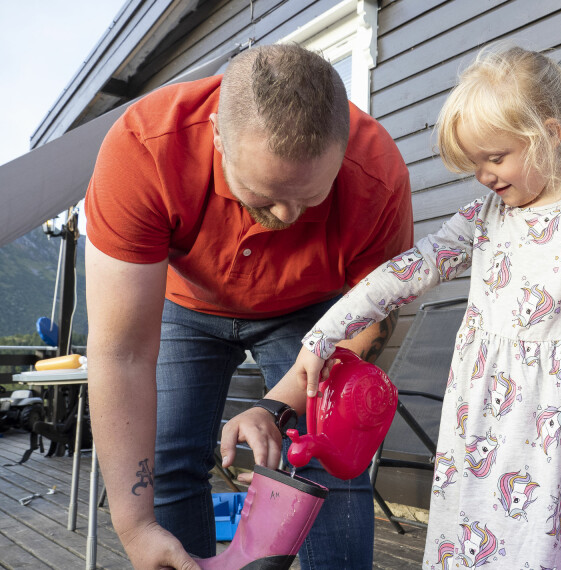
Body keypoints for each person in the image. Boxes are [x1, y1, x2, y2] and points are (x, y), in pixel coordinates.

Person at [229, 45, 561, 569]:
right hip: (479, 433)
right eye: (475, 163)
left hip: (559, 438)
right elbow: (407, 271)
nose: (485, 175)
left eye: (495, 158)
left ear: (550, 135)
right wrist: (324, 335)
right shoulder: (485, 215)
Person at [84, 44, 413, 570]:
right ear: (218, 137)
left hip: (316, 313)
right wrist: (136, 527)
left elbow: (368, 323)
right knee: (170, 456)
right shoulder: (143, 149)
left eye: (311, 196)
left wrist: (277, 407)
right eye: (263, 195)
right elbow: (120, 353)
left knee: (329, 455)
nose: (284, 214)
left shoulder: (376, 173)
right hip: (185, 300)